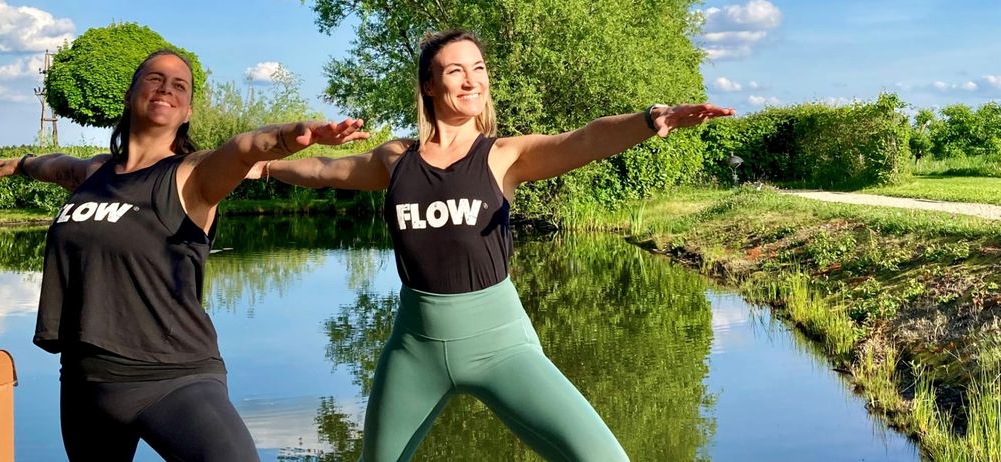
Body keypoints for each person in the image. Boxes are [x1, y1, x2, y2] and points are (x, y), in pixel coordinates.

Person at [248, 29, 734, 461]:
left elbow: (584, 139)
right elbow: (323, 169)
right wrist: (258, 164)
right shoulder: (396, 159)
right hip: (414, 347)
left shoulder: (504, 155)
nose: (470, 80)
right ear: (428, 86)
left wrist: (651, 119)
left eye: (478, 69)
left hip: (500, 347)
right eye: (455, 70)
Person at [0, 50, 367, 462]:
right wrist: (21, 164)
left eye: (179, 85)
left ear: (186, 112)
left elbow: (242, 148)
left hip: (173, 378)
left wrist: (290, 136)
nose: (166, 87)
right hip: (86, 382)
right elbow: (58, 165)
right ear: (131, 95)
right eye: (154, 78)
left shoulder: (193, 174)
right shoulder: (95, 174)